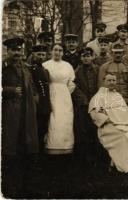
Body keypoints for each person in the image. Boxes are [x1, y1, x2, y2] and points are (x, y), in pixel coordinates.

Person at [89, 74, 128, 176]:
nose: (111, 82)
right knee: (124, 138)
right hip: (108, 127)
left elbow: (124, 112)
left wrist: (127, 120)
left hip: (125, 124)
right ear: (104, 82)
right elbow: (96, 114)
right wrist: (108, 120)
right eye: (109, 80)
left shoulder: (118, 96)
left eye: (114, 80)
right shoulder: (98, 97)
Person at [2, 37, 39, 197]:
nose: (17, 53)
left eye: (19, 50)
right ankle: (9, 189)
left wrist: (35, 99)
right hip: (9, 115)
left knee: (26, 151)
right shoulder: (4, 67)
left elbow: (32, 87)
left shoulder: (26, 68)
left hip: (26, 115)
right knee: (11, 153)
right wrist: (8, 90)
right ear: (8, 51)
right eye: (13, 50)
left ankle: (25, 188)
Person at [43, 43, 76, 155]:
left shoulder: (68, 66)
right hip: (50, 94)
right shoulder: (46, 65)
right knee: (53, 119)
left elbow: (72, 83)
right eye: (55, 50)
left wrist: (65, 93)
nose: (57, 52)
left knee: (65, 119)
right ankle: (51, 147)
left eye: (60, 50)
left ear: (63, 52)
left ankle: (66, 146)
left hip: (64, 96)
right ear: (51, 51)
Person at [72, 47, 100, 168]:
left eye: (88, 55)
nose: (86, 58)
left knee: (96, 129)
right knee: (83, 130)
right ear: (81, 58)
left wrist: (96, 100)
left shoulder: (98, 69)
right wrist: (84, 100)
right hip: (83, 106)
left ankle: (97, 157)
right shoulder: (77, 71)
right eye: (83, 56)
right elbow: (74, 87)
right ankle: (85, 158)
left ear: (92, 57)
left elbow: (100, 85)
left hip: (96, 104)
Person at [26, 45, 51, 156]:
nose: (41, 57)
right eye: (38, 54)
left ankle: (41, 154)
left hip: (45, 104)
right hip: (36, 104)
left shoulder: (45, 70)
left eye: (43, 55)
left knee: (43, 129)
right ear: (33, 55)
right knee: (36, 130)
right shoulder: (30, 69)